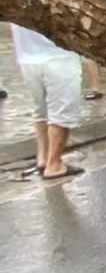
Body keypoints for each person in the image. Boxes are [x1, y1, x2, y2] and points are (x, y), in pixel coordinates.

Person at [9, 24, 83, 181]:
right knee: (62, 113)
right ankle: (54, 164)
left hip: (28, 57)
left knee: (41, 110)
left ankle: (43, 158)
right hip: (59, 55)